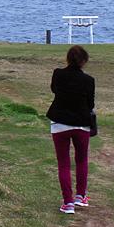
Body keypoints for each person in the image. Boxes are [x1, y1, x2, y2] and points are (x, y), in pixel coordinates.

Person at [46, 45, 95, 214]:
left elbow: (54, 90)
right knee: (81, 160)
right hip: (81, 124)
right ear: (84, 61)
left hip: (59, 123)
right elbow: (91, 104)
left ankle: (68, 203)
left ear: (68, 59)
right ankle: (81, 196)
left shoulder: (58, 74)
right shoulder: (89, 80)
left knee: (63, 163)